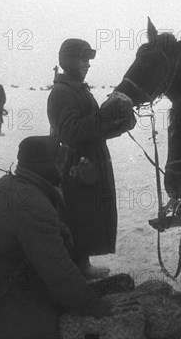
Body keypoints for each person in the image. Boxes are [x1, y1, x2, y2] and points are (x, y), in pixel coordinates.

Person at [0, 136, 113, 338]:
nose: (64, 167)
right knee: (44, 328)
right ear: (48, 167)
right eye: (60, 162)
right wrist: (98, 308)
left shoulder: (5, 185)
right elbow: (59, 275)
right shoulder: (32, 205)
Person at [47, 39, 135, 279]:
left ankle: (81, 264)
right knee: (78, 215)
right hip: (75, 165)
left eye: (88, 59)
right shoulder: (62, 92)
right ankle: (77, 267)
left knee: (87, 215)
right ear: (69, 61)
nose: (88, 64)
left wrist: (122, 120)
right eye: (83, 59)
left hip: (89, 161)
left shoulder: (76, 89)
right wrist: (109, 113)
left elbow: (95, 129)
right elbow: (71, 132)